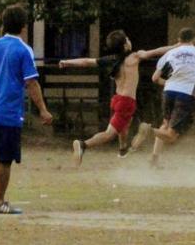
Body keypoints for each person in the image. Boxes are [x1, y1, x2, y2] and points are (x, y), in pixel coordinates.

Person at [53, 30, 174, 167]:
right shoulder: (134, 57)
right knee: (109, 134)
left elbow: (86, 61)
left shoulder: (111, 59)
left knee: (123, 124)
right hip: (127, 102)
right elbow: (156, 51)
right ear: (125, 46)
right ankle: (83, 145)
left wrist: (67, 62)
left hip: (117, 99)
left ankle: (122, 149)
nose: (129, 40)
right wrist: (178, 46)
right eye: (127, 39)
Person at [0, 3, 55, 215]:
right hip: (7, 113)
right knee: (4, 159)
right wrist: (43, 109)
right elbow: (31, 82)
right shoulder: (23, 49)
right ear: (23, 26)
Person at [140, 28, 195, 167]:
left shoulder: (170, 53)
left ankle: (154, 159)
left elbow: (155, 78)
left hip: (169, 91)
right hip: (185, 94)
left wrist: (170, 82)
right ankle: (148, 130)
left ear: (178, 40)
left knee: (165, 125)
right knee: (171, 136)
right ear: (194, 39)